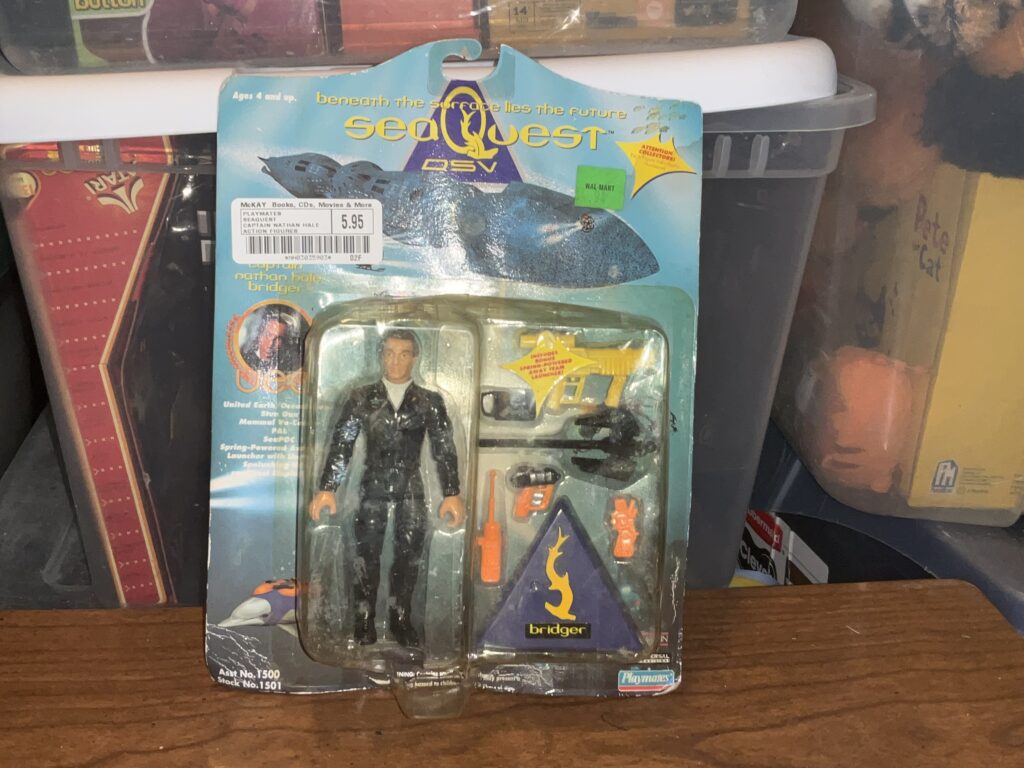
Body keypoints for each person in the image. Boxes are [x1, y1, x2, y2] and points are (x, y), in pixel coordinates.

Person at [307, 329, 464, 647]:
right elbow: (342, 443)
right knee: (366, 553)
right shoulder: (362, 397)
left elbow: (444, 447)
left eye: (403, 354)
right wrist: (328, 488)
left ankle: (400, 618)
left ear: (414, 358)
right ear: (381, 355)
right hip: (373, 485)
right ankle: (363, 617)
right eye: (389, 353)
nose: (395, 361)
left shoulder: (428, 401)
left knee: (410, 555)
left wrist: (452, 492)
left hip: (411, 486)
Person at [240, 306, 302, 372]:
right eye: (268, 335)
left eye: (278, 338)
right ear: (260, 334)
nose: (271, 344)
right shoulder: (244, 359)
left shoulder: (287, 365)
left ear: (284, 341)